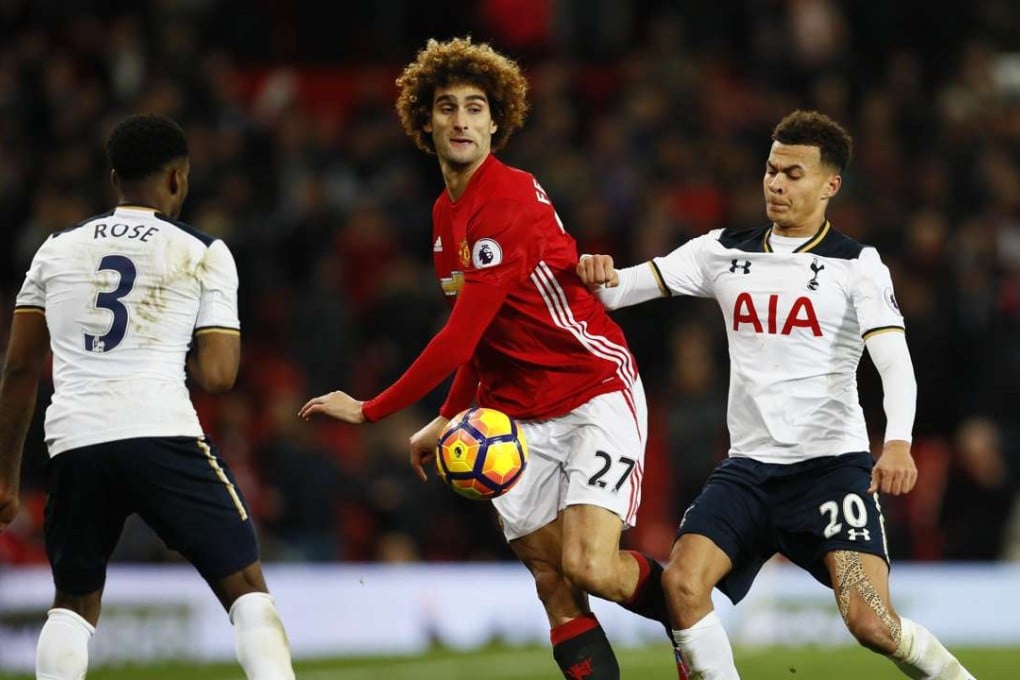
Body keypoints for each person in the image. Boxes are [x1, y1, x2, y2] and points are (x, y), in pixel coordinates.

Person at [299, 37, 681, 680]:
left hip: (589, 389)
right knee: (551, 577)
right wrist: (447, 417)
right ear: (425, 122)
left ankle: (688, 619)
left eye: (476, 108)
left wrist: (371, 410)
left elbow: (456, 337)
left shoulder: (502, 202)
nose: (461, 120)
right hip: (517, 412)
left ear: (497, 121)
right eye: (446, 107)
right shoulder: (445, 213)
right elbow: (484, 340)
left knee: (590, 565)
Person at [577, 109, 976, 679]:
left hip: (830, 474)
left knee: (872, 624)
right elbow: (620, 290)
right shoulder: (721, 250)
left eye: (793, 173)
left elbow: (895, 363)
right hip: (747, 475)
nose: (776, 183)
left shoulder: (856, 265)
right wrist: (598, 270)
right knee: (682, 583)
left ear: (829, 186)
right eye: (771, 170)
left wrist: (898, 443)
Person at [0, 114, 295, 680]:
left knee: (73, 603)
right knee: (246, 589)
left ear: (115, 179)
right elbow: (217, 376)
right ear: (179, 179)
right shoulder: (203, 251)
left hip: (77, 442)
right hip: (162, 433)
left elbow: (18, 368)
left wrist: (6, 478)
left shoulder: (55, 249)